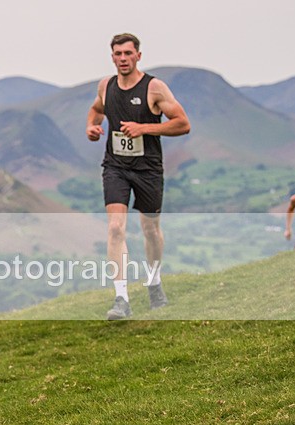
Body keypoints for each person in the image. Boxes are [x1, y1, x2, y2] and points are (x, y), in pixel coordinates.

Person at [86, 33, 190, 320]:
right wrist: (91, 128)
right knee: (115, 228)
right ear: (112, 57)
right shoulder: (105, 86)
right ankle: (121, 298)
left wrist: (144, 128)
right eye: (118, 54)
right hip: (116, 167)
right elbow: (95, 110)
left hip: (148, 169)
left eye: (128, 53)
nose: (123, 59)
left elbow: (182, 123)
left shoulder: (154, 88)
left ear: (138, 56)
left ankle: (154, 283)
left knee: (150, 230)